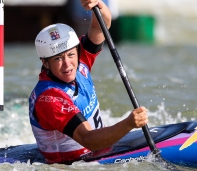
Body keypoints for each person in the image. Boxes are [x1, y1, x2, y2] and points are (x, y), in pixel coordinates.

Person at [29, 0, 148, 164]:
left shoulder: (81, 58)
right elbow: (88, 139)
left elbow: (101, 25)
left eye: (71, 55)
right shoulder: (50, 98)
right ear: (45, 63)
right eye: (58, 58)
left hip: (100, 149)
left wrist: (97, 4)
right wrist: (128, 124)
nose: (67, 64)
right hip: (71, 163)